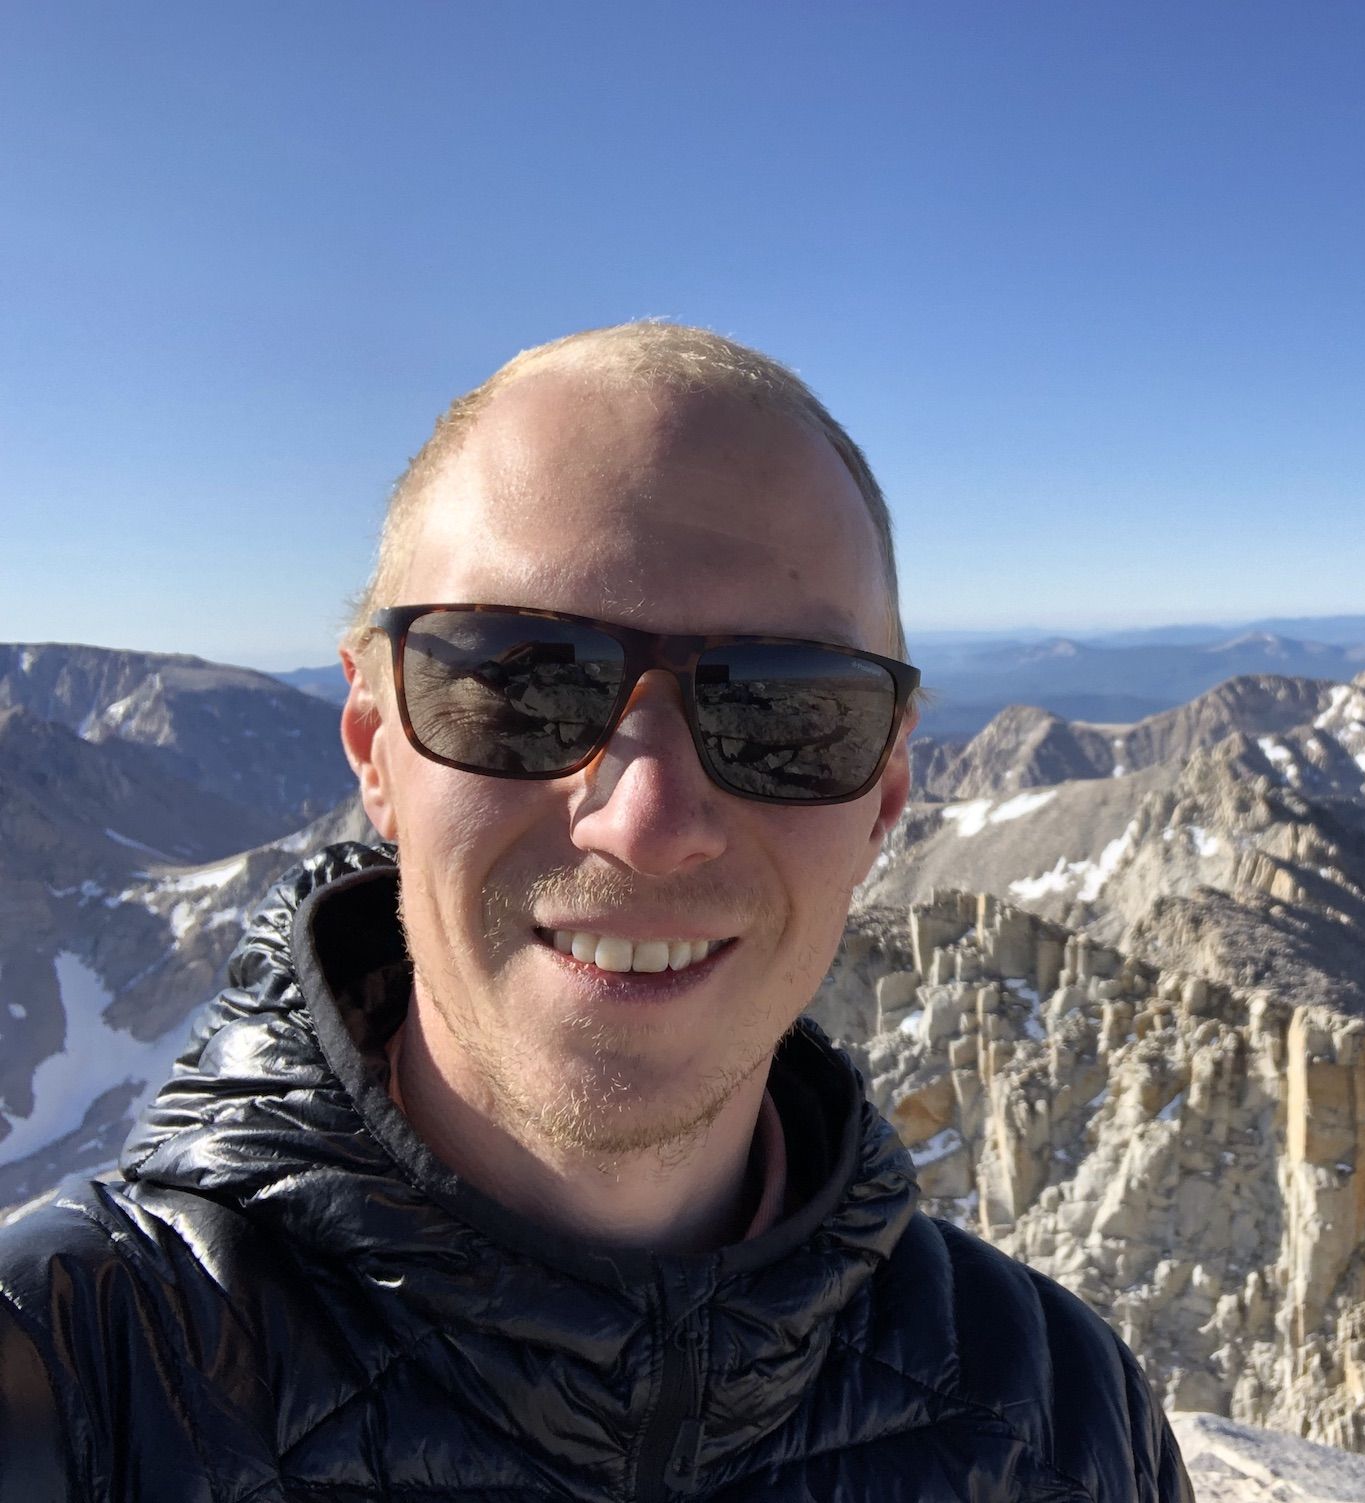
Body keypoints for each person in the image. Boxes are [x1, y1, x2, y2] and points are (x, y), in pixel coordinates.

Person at [0, 322, 1194, 1501]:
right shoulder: (64, 1390)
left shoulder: (1066, 1420)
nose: (646, 817)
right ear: (375, 748)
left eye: (787, 714)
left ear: (885, 793)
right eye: (519, 681)